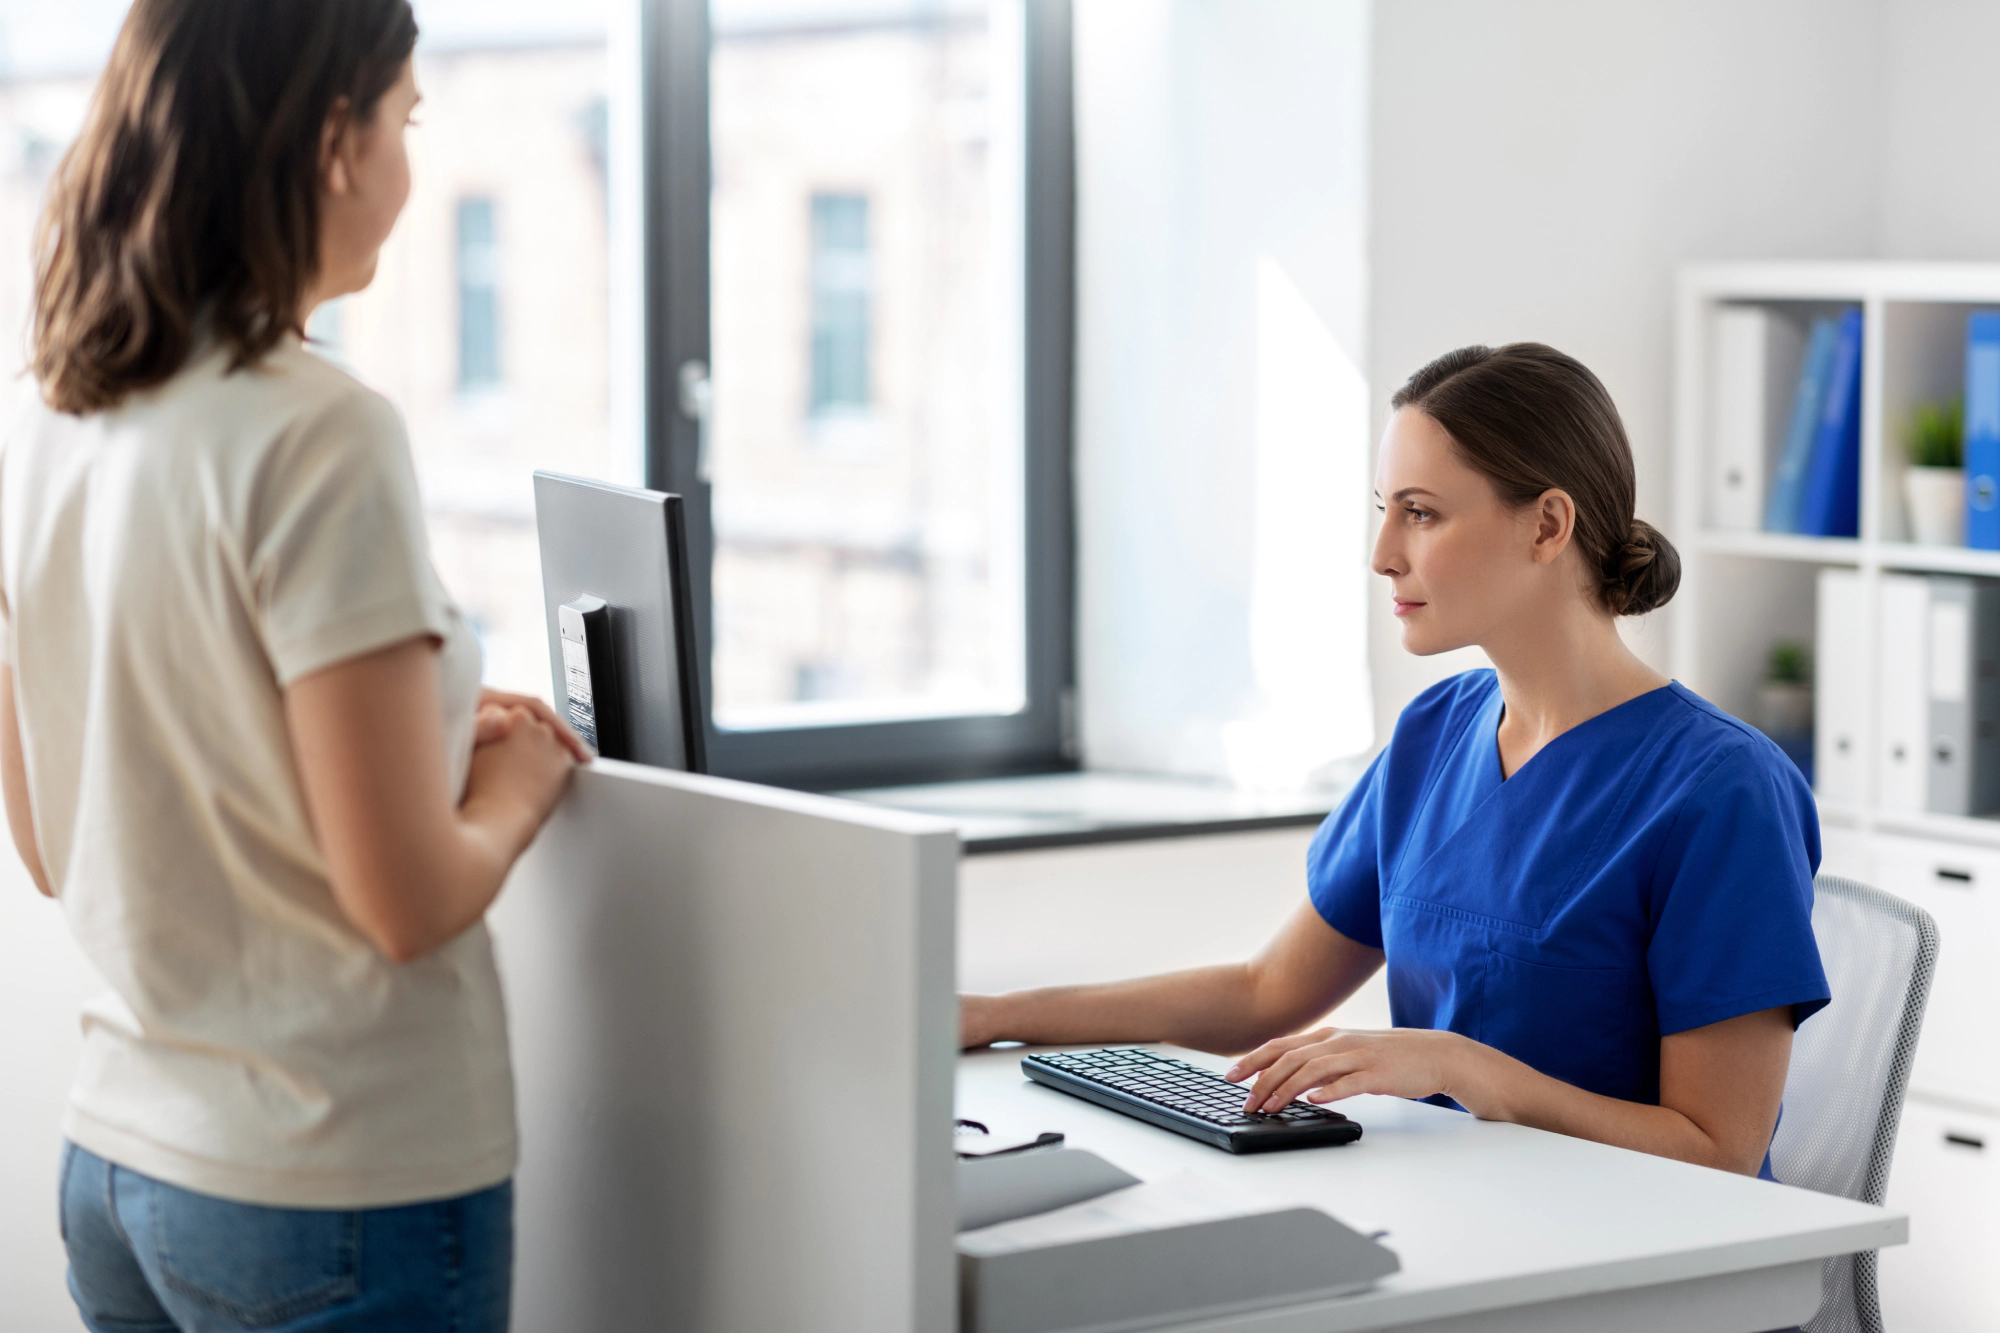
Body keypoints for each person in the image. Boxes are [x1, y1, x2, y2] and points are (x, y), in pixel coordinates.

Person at [1, 1, 588, 1328]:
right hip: (328, 1184)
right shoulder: (320, 434)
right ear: (336, 140)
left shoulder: (40, 415)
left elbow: (58, 835)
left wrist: (426, 737)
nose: (408, 163)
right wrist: (520, 789)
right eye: (406, 120)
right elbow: (404, 902)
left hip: (120, 1165)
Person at [962, 343, 1830, 1179]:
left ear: (1548, 524)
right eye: (1384, 510)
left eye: (1420, 512)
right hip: (1450, 1216)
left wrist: (1466, 1069)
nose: (1383, 554)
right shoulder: (1434, 733)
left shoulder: (1723, 789)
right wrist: (997, 1016)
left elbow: (1719, 1152)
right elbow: (1264, 992)